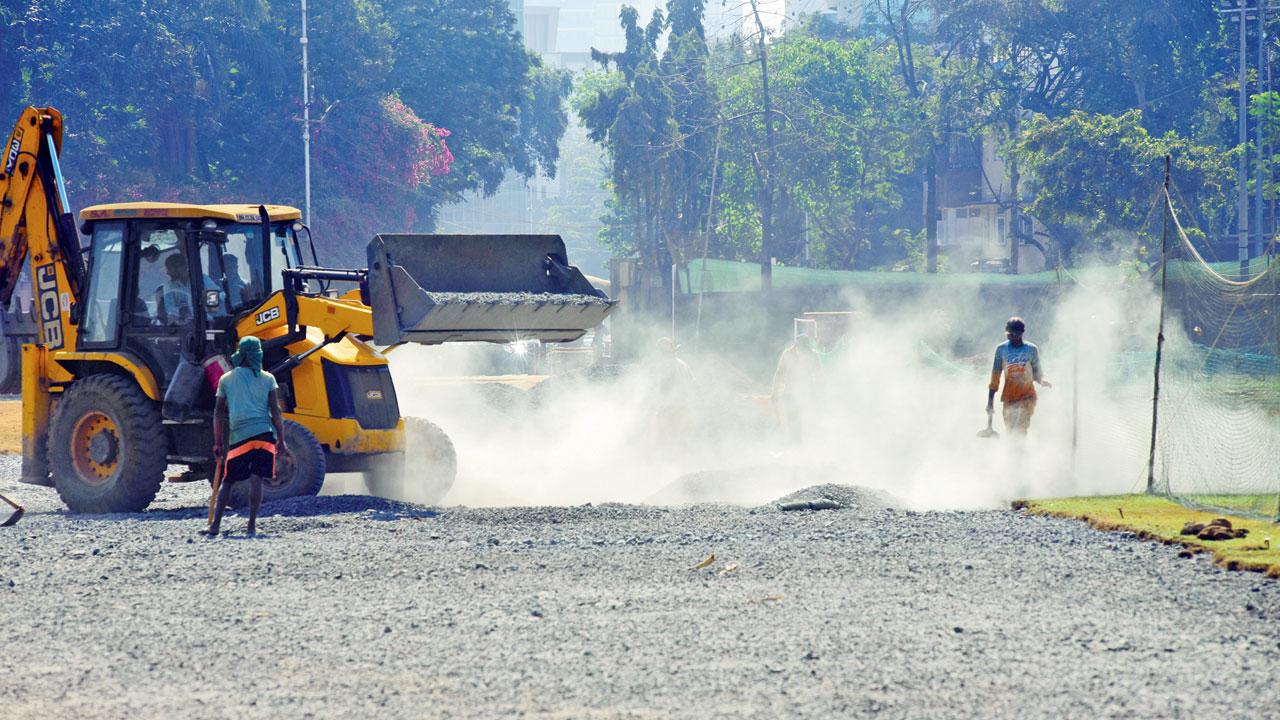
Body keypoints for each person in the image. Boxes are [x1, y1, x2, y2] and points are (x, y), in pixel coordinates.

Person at [204, 336, 286, 537]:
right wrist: (281, 440)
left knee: (229, 480)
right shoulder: (268, 378)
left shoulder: (226, 379)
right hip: (264, 435)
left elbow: (218, 413)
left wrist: (217, 443)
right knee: (256, 479)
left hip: (239, 436)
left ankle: (215, 526)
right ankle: (251, 527)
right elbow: (275, 411)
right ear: (258, 354)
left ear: (240, 355)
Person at [987, 317, 1051, 435]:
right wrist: (990, 401)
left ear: (1021, 333)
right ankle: (1014, 452)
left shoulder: (1031, 349)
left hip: (1027, 397)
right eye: (1008, 333)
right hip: (1009, 398)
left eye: (1014, 333)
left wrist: (1043, 380)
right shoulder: (1001, 350)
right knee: (1010, 431)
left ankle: (1020, 451)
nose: (1011, 336)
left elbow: (1037, 373)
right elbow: (995, 377)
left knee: (1020, 430)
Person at [772, 332, 824, 443]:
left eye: (806, 348)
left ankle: (808, 442)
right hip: (790, 391)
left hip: (806, 390)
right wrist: (774, 393)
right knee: (792, 418)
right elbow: (779, 373)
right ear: (796, 346)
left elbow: (819, 375)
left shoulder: (813, 354)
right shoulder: (788, 354)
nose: (803, 351)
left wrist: (819, 393)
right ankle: (795, 443)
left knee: (808, 419)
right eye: (801, 348)